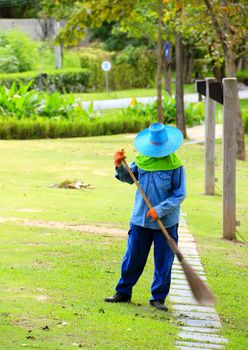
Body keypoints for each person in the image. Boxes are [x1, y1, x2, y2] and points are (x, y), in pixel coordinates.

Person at [104, 123, 186, 311]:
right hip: (141, 218)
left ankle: (158, 298)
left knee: (163, 261)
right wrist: (119, 166)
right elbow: (129, 178)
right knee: (132, 256)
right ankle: (123, 292)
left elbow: (180, 193)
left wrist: (160, 209)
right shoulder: (142, 159)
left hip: (166, 221)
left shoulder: (175, 165)